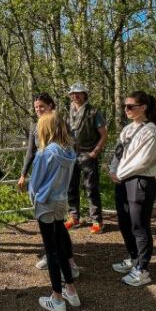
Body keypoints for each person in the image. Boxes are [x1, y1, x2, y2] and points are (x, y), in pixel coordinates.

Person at [17, 93, 79, 277]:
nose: (38, 110)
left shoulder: (60, 124)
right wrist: (23, 174)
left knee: (55, 228)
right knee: (57, 226)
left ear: (51, 106)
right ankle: (60, 261)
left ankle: (65, 263)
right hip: (53, 185)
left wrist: (35, 192)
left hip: (53, 184)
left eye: (42, 107)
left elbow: (41, 168)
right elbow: (30, 151)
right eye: (36, 108)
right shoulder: (34, 126)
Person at [29, 111, 82, 311]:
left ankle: (57, 298)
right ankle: (71, 290)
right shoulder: (69, 150)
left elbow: (35, 183)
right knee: (60, 246)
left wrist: (35, 199)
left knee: (50, 251)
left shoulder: (45, 153)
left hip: (45, 203)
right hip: (61, 202)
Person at [109, 90, 156, 287]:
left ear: (143, 107)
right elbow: (118, 152)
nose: (127, 110)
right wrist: (113, 169)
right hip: (122, 181)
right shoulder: (127, 129)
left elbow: (143, 161)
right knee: (124, 222)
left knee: (139, 225)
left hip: (140, 181)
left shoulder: (151, 131)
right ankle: (133, 258)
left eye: (131, 106)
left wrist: (120, 174)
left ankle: (142, 268)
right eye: (125, 106)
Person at [65, 83, 108, 233]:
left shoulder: (93, 112)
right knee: (71, 187)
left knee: (91, 187)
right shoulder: (67, 112)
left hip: (88, 153)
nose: (75, 95)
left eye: (78, 93)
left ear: (85, 94)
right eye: (73, 93)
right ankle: (73, 217)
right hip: (71, 154)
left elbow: (103, 135)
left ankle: (97, 221)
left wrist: (95, 152)